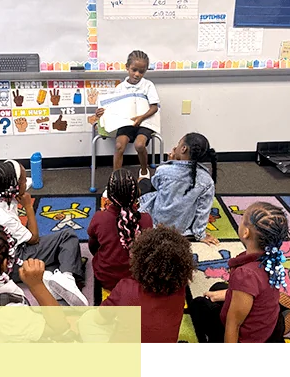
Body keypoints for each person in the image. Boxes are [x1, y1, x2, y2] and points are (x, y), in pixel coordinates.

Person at [0, 159, 88, 306]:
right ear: (15, 187)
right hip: (14, 261)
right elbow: (34, 239)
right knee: (68, 237)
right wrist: (28, 206)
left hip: (2, 260)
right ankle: (68, 281)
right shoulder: (4, 218)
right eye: (25, 180)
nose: (27, 182)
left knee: (59, 261)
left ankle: (54, 277)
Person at [189, 202, 290, 344]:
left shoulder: (245, 274)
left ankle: (278, 327)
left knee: (198, 305)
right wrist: (226, 294)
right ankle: (279, 323)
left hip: (246, 338)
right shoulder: (272, 257)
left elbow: (233, 323)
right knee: (217, 287)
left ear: (245, 232)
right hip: (266, 325)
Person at [0, 221, 78, 342]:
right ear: (5, 263)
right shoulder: (11, 313)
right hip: (13, 330)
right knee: (74, 324)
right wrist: (37, 285)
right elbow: (59, 328)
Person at [100, 225, 195, 344]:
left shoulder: (125, 287)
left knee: (87, 321)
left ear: (139, 260)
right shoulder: (180, 291)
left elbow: (103, 314)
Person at [138, 132, 219, 245]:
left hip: (156, 223)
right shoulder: (207, 180)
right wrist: (200, 234)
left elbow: (156, 186)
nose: (175, 147)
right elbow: (203, 210)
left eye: (178, 143)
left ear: (183, 148)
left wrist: (170, 163)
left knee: (143, 182)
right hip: (182, 229)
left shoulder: (163, 170)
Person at [95, 50, 160, 183]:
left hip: (144, 122)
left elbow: (154, 107)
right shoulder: (120, 87)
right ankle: (116, 178)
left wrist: (141, 117)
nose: (137, 74)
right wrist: (100, 112)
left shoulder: (148, 85)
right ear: (127, 67)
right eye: (134, 70)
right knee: (119, 145)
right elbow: (112, 108)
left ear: (146, 71)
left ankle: (144, 170)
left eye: (141, 72)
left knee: (140, 145)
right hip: (126, 123)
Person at [88, 169, 153, 291]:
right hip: (137, 278)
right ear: (137, 194)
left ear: (109, 196)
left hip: (106, 279)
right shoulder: (147, 220)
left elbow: (93, 246)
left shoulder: (99, 218)